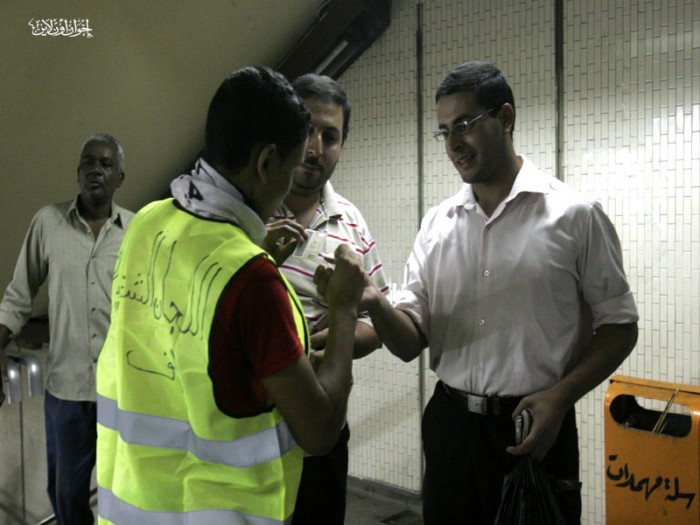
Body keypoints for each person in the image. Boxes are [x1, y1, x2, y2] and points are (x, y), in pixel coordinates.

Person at [351, 61, 639, 524]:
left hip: (535, 424)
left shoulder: (575, 216)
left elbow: (620, 326)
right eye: (444, 131)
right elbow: (407, 345)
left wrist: (561, 397)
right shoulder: (437, 225)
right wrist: (372, 302)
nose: (453, 143)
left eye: (465, 124)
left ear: (505, 118)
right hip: (451, 428)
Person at [95, 66, 366, 525]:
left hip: (131, 506)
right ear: (266, 163)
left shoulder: (147, 221)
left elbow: (191, 335)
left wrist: (250, 254)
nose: (290, 183)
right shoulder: (253, 280)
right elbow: (320, 431)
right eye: (290, 168)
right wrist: (344, 309)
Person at [261, 73, 389, 525]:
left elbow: (375, 323)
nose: (315, 147)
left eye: (330, 136)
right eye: (306, 129)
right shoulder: (247, 210)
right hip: (249, 429)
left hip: (323, 422)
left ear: (342, 144)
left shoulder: (351, 221)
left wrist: (334, 340)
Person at [0, 133, 133, 525]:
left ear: (120, 177)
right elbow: (19, 295)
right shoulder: (48, 222)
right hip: (67, 389)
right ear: (77, 172)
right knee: (65, 492)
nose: (96, 170)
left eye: (106, 164)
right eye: (88, 162)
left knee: (123, 487)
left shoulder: (137, 230)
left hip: (121, 390)